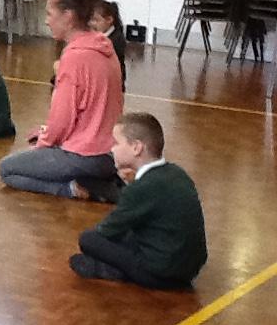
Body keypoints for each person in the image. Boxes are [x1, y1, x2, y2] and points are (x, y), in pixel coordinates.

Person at [0, 0, 124, 202]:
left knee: (7, 169)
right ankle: (96, 181)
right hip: (112, 152)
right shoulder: (105, 46)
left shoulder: (74, 57)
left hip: (85, 155)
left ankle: (74, 189)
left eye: (49, 14)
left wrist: (44, 144)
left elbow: (62, 119)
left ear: (68, 16)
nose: (46, 21)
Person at [70, 113, 207, 289]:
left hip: (159, 273)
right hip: (189, 268)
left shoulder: (141, 188)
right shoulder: (177, 173)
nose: (112, 149)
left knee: (88, 239)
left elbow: (107, 230)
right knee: (131, 232)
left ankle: (114, 271)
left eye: (116, 143)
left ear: (136, 148)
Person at [89, 0, 126, 92]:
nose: (92, 24)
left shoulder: (116, 39)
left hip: (111, 84)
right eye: (91, 20)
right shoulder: (97, 36)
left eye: (96, 20)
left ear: (109, 20)